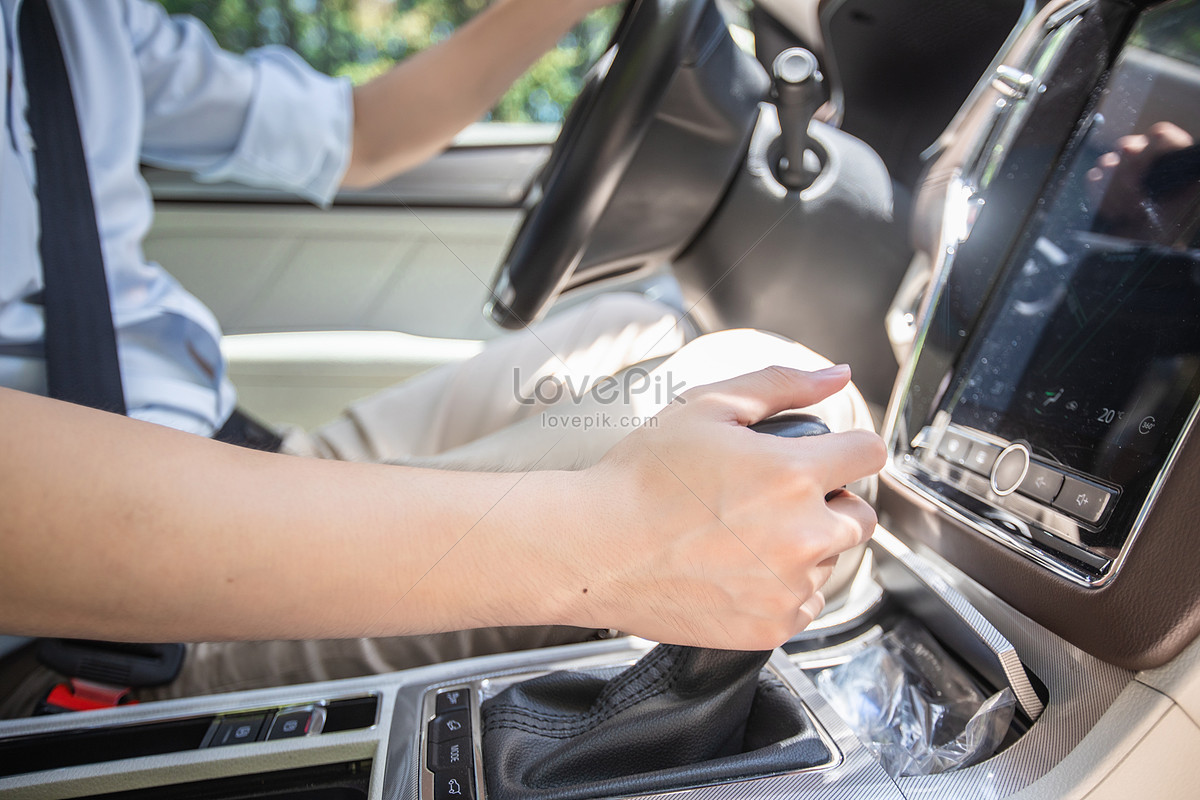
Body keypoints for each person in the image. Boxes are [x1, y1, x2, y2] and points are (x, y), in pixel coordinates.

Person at [0, 0, 884, 716]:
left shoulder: (77, 17)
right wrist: (599, 537)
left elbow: (358, 134)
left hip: (221, 457)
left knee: (635, 330)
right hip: (96, 618)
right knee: (788, 430)